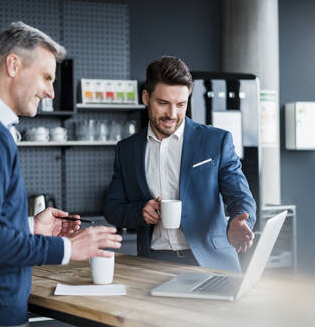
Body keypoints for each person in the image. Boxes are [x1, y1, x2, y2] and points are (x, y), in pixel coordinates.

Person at [0, 21, 122, 327]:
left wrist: (29, 226)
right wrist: (68, 248)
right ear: (13, 65)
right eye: (46, 77)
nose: (51, 91)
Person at [104, 56, 256, 272]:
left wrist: (240, 223)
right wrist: (140, 212)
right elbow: (112, 208)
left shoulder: (216, 141)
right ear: (146, 97)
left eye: (180, 104)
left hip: (211, 263)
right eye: (163, 103)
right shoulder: (127, 149)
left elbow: (241, 197)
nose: (172, 114)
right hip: (153, 264)